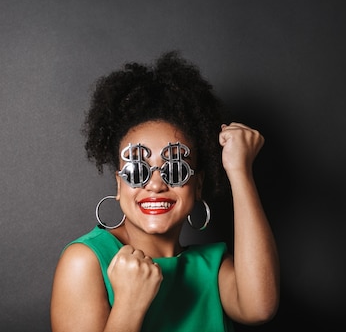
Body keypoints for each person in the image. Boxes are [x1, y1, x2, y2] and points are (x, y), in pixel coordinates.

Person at [50, 51, 279, 332]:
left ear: (197, 185)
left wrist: (239, 170)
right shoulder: (86, 262)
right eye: (137, 171)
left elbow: (259, 308)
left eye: (175, 170)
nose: (156, 185)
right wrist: (129, 304)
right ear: (119, 185)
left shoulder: (213, 267)